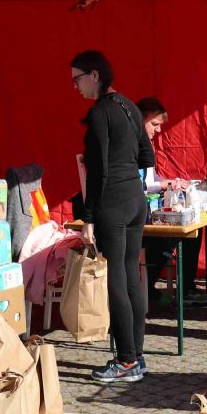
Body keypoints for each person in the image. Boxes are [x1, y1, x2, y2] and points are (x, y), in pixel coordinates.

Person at [71, 50, 156, 383]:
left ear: (94, 75)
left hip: (113, 203)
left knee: (117, 281)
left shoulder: (99, 113)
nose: (74, 86)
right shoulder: (129, 106)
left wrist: (88, 216)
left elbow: (98, 171)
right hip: (135, 200)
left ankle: (125, 361)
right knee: (130, 276)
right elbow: (147, 155)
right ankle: (136, 355)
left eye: (77, 78)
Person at [136, 98, 207, 309]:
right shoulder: (132, 144)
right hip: (136, 214)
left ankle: (181, 287)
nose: (159, 130)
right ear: (140, 119)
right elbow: (142, 183)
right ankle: (152, 286)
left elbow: (152, 178)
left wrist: (170, 182)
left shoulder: (143, 144)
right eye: (154, 124)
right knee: (177, 235)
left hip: (146, 208)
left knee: (192, 231)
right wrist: (167, 183)